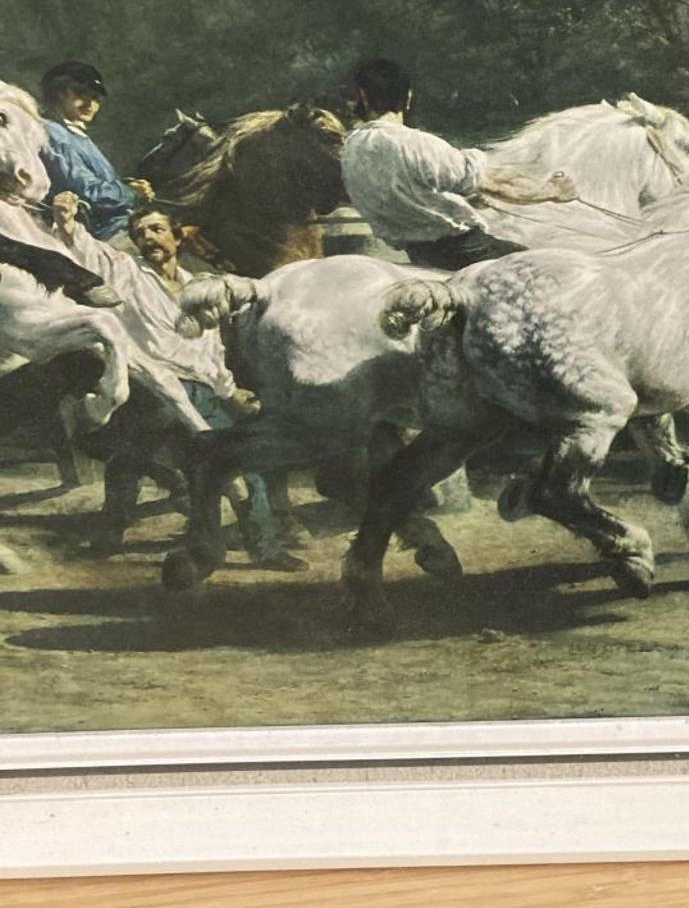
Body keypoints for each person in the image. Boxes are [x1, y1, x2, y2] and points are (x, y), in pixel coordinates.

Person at [107, 206, 304, 569]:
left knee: (229, 465)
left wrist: (229, 391)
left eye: (156, 230)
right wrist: (66, 222)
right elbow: (92, 255)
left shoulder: (199, 286)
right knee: (191, 465)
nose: (149, 238)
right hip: (154, 390)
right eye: (140, 234)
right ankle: (200, 550)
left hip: (202, 391)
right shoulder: (129, 276)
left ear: (178, 237)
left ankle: (265, 550)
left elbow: (212, 350)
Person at [340, 58, 577, 270]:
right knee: (543, 269)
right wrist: (551, 191)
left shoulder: (352, 149)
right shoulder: (414, 144)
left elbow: (405, 192)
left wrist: (463, 199)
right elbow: (496, 184)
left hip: (417, 252)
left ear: (361, 98)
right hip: (464, 250)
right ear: (408, 97)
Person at [38, 61, 151, 243]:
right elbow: (85, 191)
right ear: (59, 94)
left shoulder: (75, 133)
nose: (90, 104)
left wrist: (126, 186)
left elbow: (96, 182)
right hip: (101, 234)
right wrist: (131, 192)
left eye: (96, 98)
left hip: (120, 225)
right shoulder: (54, 133)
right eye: (81, 94)